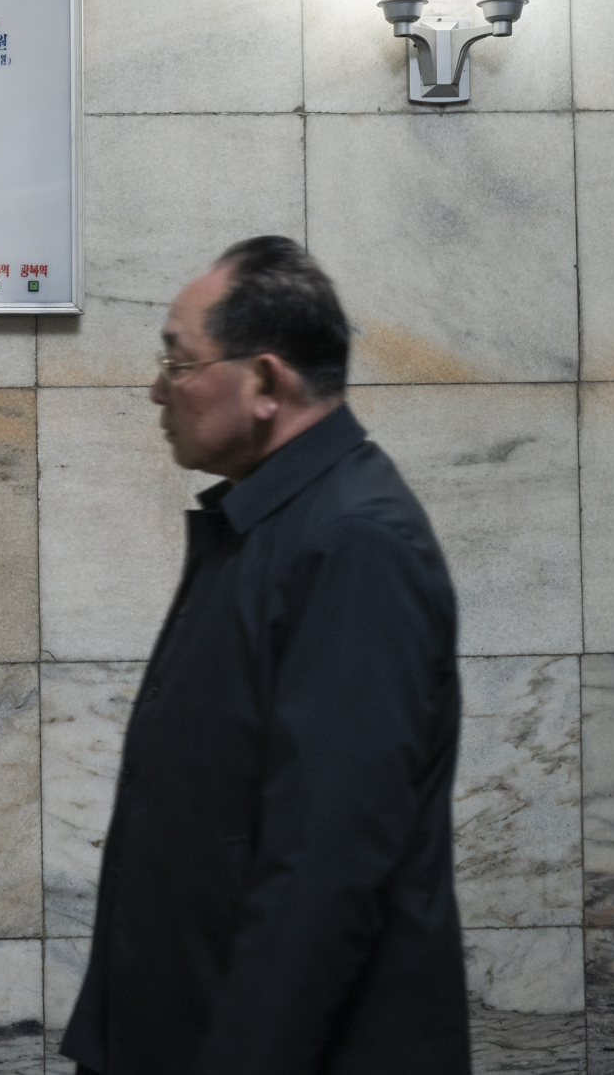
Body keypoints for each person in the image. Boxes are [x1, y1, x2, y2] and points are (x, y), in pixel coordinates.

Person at [61, 236, 468, 1075]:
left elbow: (326, 861)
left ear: (267, 383)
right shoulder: (271, 525)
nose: (156, 389)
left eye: (178, 363)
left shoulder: (354, 542)